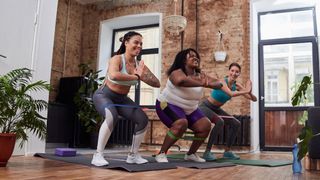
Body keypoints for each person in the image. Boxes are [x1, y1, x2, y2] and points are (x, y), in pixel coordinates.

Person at [91, 31, 160, 166]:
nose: (139, 46)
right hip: (104, 95)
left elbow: (156, 83)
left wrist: (143, 74)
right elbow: (114, 75)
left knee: (143, 120)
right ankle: (97, 155)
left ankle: (133, 155)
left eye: (141, 43)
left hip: (122, 99)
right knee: (112, 117)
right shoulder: (117, 59)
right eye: (136, 42)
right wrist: (136, 77)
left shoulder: (138, 65)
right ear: (126, 43)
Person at [154, 48, 223, 163]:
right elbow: (181, 81)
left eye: (196, 56)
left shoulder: (201, 75)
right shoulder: (176, 72)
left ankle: (191, 154)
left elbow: (219, 83)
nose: (195, 57)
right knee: (181, 123)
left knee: (205, 125)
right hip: (166, 104)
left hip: (190, 109)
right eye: (191, 56)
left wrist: (210, 83)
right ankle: (161, 153)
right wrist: (203, 83)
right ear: (183, 60)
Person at [199, 62, 257, 161]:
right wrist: (246, 91)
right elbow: (231, 93)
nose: (234, 73)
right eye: (232, 71)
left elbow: (254, 99)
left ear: (239, 74)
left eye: (237, 72)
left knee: (236, 123)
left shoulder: (237, 85)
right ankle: (207, 152)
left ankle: (227, 151)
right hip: (205, 107)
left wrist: (249, 92)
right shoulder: (222, 82)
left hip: (217, 109)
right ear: (229, 71)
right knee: (219, 122)